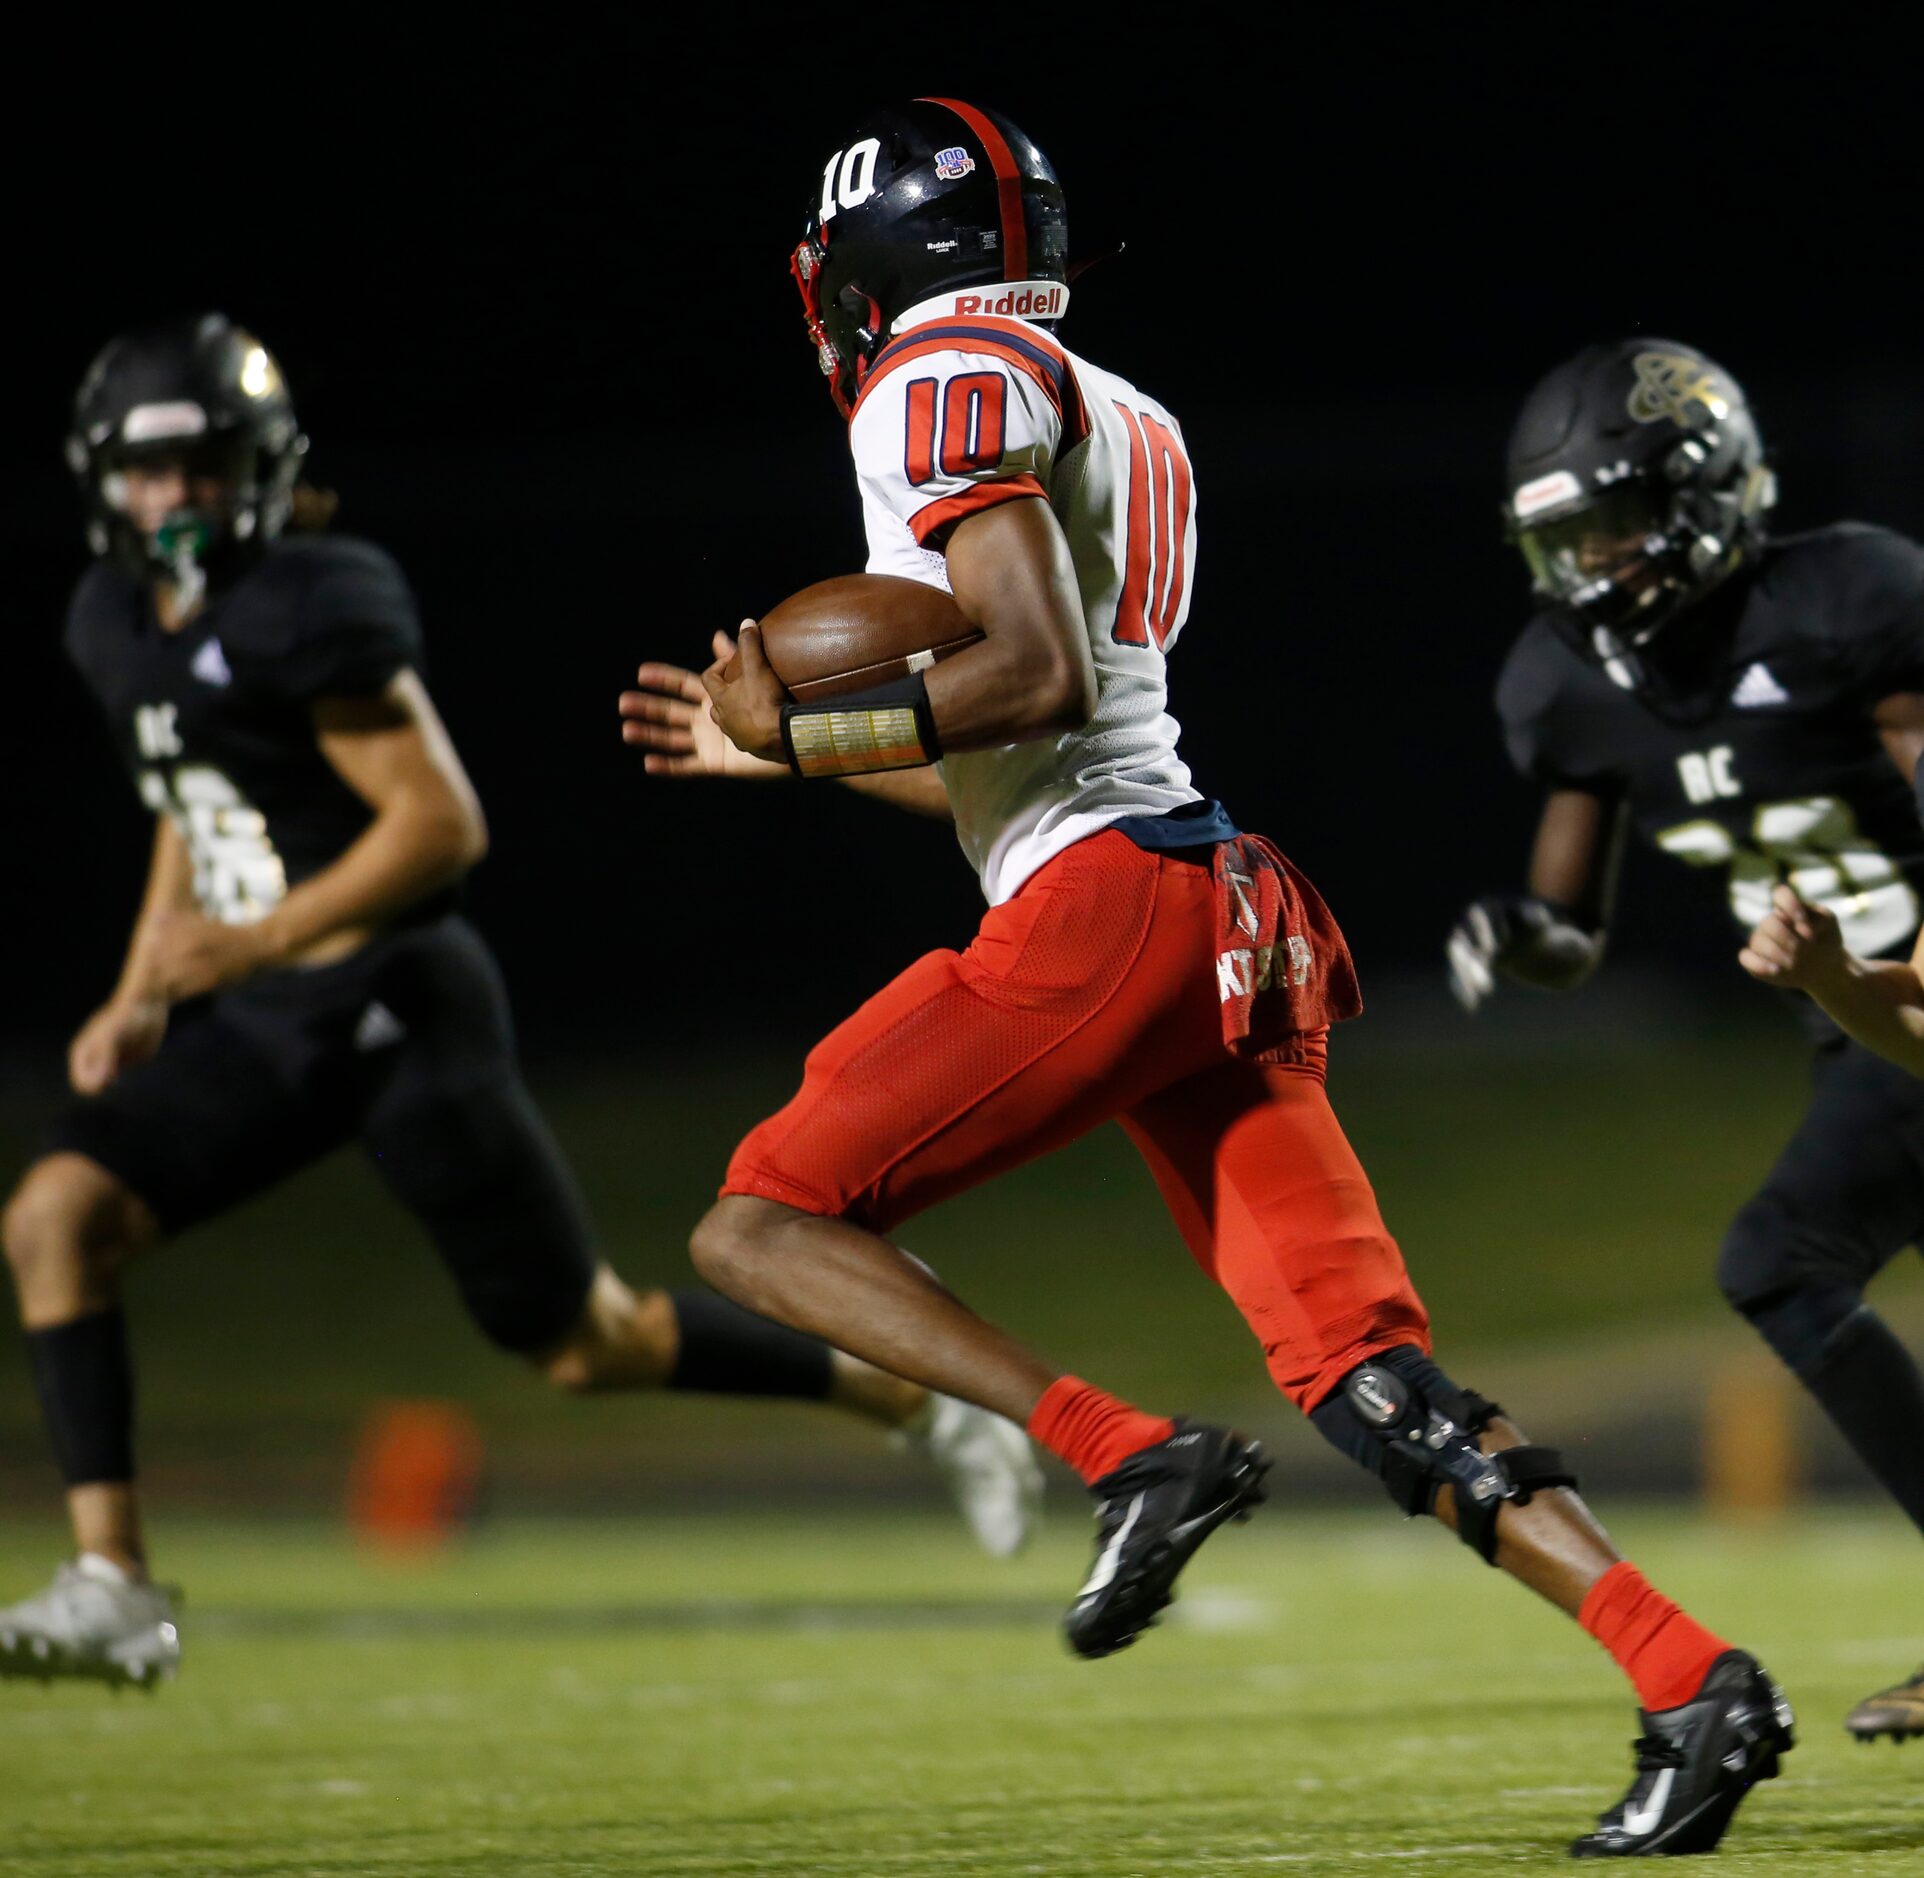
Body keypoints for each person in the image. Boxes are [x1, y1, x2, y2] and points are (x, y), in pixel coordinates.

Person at [620, 102, 1791, 1857]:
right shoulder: (1115, 405)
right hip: (1211, 899)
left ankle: (1120, 1451)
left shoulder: (928, 379)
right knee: (1365, 1371)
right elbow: (1025, 757)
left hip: (1113, 913)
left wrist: (813, 712)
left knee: (758, 1223)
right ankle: (1693, 1677)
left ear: (864, 266)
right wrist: (790, 757)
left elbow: (1026, 679)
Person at [0, 314, 1041, 1692]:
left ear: (255, 465)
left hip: (391, 1006)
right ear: (101, 482)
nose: (178, 499)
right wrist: (143, 988)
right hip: (265, 1020)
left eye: (203, 465)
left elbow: (437, 827)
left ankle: (911, 1391)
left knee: (587, 1344)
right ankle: (114, 1582)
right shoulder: (110, 620)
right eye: (153, 473)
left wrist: (242, 948)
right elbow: (196, 804)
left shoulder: (310, 597)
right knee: (54, 1217)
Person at [1450, 335, 1924, 1743]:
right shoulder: (1566, 685)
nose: (1593, 567)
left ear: (1707, 495)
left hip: (1898, 1003)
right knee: (1782, 1264)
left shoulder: (1851, 603)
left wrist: (1866, 980)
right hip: (1874, 1038)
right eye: (1565, 538)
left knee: (1781, 1260)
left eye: (1616, 525)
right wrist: (1520, 941)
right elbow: (1568, 914)